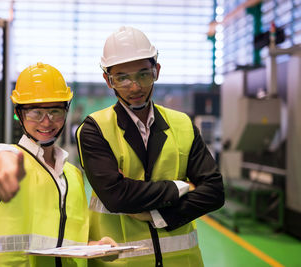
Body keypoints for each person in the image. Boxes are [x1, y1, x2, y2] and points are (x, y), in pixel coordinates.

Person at [76, 26, 225, 267]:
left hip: (182, 261)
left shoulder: (183, 124)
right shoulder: (95, 129)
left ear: (156, 71)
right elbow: (116, 196)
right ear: (108, 80)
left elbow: (215, 192)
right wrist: (180, 187)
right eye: (122, 78)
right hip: (120, 262)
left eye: (143, 74)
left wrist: (160, 214)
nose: (134, 87)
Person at [0, 62, 115, 267]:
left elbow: (63, 243)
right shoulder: (2, 155)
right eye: (35, 113)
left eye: (55, 111)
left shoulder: (73, 175)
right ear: (19, 114)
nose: (46, 122)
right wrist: (8, 171)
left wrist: (96, 247)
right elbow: (2, 157)